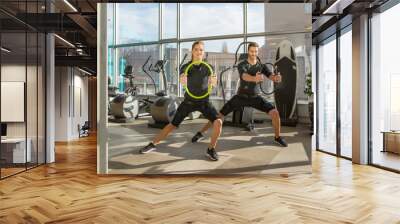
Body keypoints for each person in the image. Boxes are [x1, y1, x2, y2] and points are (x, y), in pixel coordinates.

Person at [191, 42, 288, 147]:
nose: (253, 53)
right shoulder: (242, 64)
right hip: (241, 97)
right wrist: (254, 78)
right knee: (218, 116)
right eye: (251, 51)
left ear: (257, 51)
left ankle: (277, 137)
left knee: (275, 113)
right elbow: (244, 76)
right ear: (248, 51)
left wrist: (276, 78)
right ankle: (200, 133)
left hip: (255, 97)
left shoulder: (261, 66)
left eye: (255, 51)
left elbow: (271, 76)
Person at [140, 41, 223, 161]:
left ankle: (211, 149)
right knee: (172, 125)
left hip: (204, 102)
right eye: (196, 49)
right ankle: (153, 144)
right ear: (192, 51)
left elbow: (213, 83)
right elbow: (182, 80)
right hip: (188, 102)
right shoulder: (185, 67)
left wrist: (214, 82)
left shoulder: (208, 67)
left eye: (201, 50)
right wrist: (183, 80)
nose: (199, 52)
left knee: (218, 122)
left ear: (203, 53)